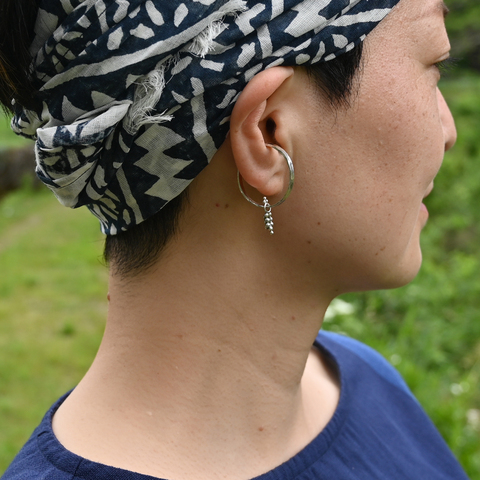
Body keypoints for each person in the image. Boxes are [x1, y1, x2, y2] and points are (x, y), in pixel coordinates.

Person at [0, 0, 469, 478]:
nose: (449, 130)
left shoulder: (368, 379)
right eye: (433, 66)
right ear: (269, 134)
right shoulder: (376, 396)